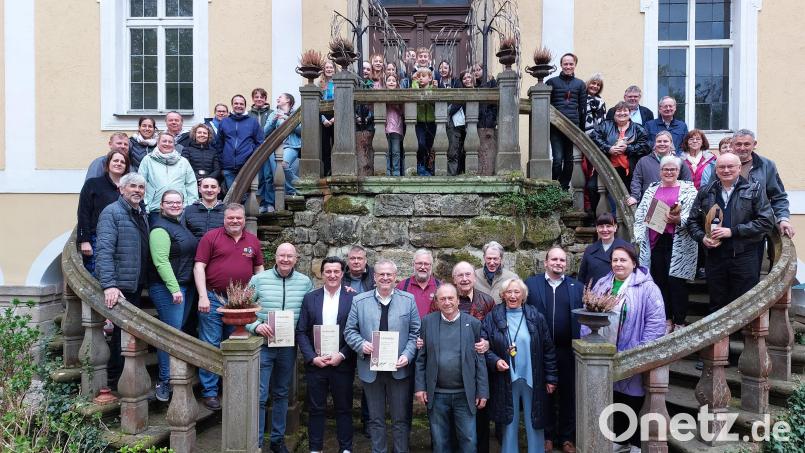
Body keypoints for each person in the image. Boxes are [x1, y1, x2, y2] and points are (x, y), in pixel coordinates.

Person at [584, 246, 665, 452]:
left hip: (632, 351)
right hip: (606, 351)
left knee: (633, 397)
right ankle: (620, 439)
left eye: (623, 260)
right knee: (614, 397)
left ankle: (636, 444)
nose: (618, 264)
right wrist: (589, 342)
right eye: (615, 260)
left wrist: (640, 352)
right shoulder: (603, 284)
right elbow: (588, 314)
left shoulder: (647, 287)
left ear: (634, 263)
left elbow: (655, 323)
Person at [193, 203, 264, 411]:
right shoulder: (211, 237)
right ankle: (210, 392)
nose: (235, 221)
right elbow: (199, 267)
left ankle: (231, 387)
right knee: (211, 343)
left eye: (238, 218)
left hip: (241, 303)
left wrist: (257, 296)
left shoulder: (252, 241)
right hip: (214, 298)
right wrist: (203, 296)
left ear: (244, 219)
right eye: (231, 218)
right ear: (224, 218)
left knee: (235, 344)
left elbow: (259, 268)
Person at [344, 259, 420, 453]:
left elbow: (415, 333)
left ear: (395, 277)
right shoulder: (359, 301)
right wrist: (361, 345)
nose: (385, 278)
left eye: (389, 275)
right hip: (371, 369)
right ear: (374, 277)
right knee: (375, 419)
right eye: (381, 274)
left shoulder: (408, 300)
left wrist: (407, 355)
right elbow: (349, 331)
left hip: (399, 369)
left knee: (400, 419)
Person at [688, 153, 774, 313]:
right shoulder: (706, 192)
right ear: (716, 169)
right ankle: (720, 338)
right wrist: (702, 238)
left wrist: (732, 231)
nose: (726, 170)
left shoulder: (754, 190)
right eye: (721, 167)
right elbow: (692, 221)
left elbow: (766, 222)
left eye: (730, 166)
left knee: (745, 303)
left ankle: (743, 337)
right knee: (717, 302)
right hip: (714, 257)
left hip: (744, 256)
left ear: (739, 168)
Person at [247, 243, 313, 452]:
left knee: (282, 394)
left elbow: (313, 309)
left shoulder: (304, 282)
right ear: (274, 257)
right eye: (282, 255)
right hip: (263, 346)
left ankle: (277, 440)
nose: (285, 259)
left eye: (290, 256)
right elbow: (241, 308)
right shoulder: (259, 279)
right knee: (259, 394)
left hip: (288, 347)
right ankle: (255, 441)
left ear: (296, 258)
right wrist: (256, 326)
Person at [482, 278, 558, 453]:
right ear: (502, 295)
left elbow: (548, 349)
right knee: (509, 422)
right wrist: (495, 361)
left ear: (523, 295)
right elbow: (483, 346)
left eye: (517, 292)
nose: (513, 296)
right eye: (509, 292)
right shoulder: (493, 317)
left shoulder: (535, 316)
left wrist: (551, 378)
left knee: (535, 421)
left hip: (534, 377)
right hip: (506, 378)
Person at [415, 284, 489, 453]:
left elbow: (480, 361)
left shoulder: (473, 324)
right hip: (437, 394)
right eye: (442, 299)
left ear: (457, 300)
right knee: (440, 442)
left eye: (450, 298)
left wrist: (482, 391)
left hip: (465, 394)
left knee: (469, 440)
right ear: (437, 301)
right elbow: (421, 359)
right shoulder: (427, 322)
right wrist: (420, 387)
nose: (447, 302)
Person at [524, 247, 583, 453]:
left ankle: (566, 438)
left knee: (568, 394)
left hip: (568, 350)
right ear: (546, 262)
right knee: (544, 395)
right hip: (540, 351)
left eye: (562, 260)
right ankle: (547, 436)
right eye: (554, 259)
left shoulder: (578, 287)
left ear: (566, 263)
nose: (558, 263)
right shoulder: (531, 284)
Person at [95, 172, 150, 390]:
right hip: (121, 286)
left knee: (127, 334)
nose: (137, 190)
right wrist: (109, 284)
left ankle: (123, 380)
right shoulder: (112, 213)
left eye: (141, 187)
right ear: (122, 189)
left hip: (135, 283)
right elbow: (104, 250)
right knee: (120, 335)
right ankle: (115, 380)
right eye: (133, 187)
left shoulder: (139, 213)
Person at [295, 256, 356, 453]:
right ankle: (315, 449)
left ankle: (346, 449)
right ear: (322, 274)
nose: (332, 275)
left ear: (342, 274)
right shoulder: (310, 298)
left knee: (344, 409)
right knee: (316, 409)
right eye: (328, 271)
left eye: (336, 271)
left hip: (342, 363)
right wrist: (312, 357)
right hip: (317, 364)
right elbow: (301, 331)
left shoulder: (353, 298)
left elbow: (357, 331)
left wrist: (343, 354)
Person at [633, 155, 698, 332]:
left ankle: (679, 321)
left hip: (679, 242)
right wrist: (639, 236)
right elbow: (640, 215)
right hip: (655, 242)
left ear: (678, 171)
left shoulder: (689, 189)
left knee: (676, 283)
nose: (669, 172)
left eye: (673, 169)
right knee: (659, 282)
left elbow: (695, 215)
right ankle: (666, 319)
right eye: (665, 169)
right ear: (660, 171)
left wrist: (679, 220)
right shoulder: (651, 189)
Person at [147, 190, 198, 402]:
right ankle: (164, 380)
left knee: (176, 333)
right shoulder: (159, 228)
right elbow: (160, 261)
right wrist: (174, 288)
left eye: (178, 202)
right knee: (170, 335)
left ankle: (172, 376)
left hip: (185, 287)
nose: (175, 205)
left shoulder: (179, 224)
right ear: (161, 205)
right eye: (170, 202)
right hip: (169, 289)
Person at [452, 261, 495, 453]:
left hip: (478, 367)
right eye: (460, 275)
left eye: (468, 275)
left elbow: (496, 331)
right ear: (454, 279)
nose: (464, 279)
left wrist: (488, 343)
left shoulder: (487, 301)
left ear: (474, 278)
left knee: (480, 414)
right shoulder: (442, 300)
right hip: (452, 368)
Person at [729, 129, 794, 238]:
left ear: (754, 144)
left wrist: (783, 219)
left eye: (747, 144)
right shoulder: (722, 164)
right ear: (732, 145)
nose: (742, 148)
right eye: (738, 144)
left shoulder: (767, 165)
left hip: (758, 229)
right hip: (727, 228)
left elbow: (778, 196)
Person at [77, 150, 130, 273]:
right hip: (98, 238)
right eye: (115, 160)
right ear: (108, 164)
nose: (119, 163)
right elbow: (83, 213)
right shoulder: (93, 184)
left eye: (122, 162)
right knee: (99, 275)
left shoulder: (130, 187)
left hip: (124, 239)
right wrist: (85, 240)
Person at [546, 53, 587, 190]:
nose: (568, 66)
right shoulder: (551, 82)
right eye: (565, 64)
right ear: (561, 65)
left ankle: (563, 188)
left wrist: (581, 130)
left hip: (572, 127)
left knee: (569, 161)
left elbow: (582, 108)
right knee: (557, 159)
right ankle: (553, 186)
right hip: (556, 127)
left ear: (575, 65)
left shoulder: (580, 84)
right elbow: (547, 106)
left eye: (571, 64)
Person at [590, 101, 650, 187]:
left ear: (629, 113)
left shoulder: (638, 128)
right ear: (614, 113)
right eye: (618, 110)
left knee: (628, 191)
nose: (622, 113)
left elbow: (645, 146)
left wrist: (628, 148)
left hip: (629, 168)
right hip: (607, 166)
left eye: (625, 110)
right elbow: (594, 137)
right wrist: (608, 148)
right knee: (592, 186)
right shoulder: (605, 125)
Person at [627, 130, 692, 206]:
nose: (662, 144)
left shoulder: (679, 162)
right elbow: (636, 181)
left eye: (665, 141)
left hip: (673, 205)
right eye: (659, 141)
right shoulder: (643, 161)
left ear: (671, 143)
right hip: (649, 203)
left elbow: (687, 183)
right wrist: (635, 196)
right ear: (655, 143)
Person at [138, 132, 198, 212]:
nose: (167, 144)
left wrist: (190, 208)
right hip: (155, 209)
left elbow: (191, 184)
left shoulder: (183, 162)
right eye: (164, 141)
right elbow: (141, 183)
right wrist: (145, 207)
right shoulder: (147, 160)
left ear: (174, 144)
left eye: (170, 142)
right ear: (158, 143)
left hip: (179, 209)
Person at [262, 93, 302, 213]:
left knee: (283, 165)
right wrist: (273, 121)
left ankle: (297, 188)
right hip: (275, 146)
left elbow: (301, 130)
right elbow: (265, 131)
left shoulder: (296, 113)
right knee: (274, 175)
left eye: (280, 97)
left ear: (288, 100)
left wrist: (286, 118)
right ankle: (274, 202)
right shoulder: (274, 113)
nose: (277, 98)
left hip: (292, 145)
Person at [218, 94, 265, 191]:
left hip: (246, 165)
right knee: (232, 195)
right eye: (236, 103)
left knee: (244, 194)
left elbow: (259, 142)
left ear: (245, 106)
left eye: (241, 104)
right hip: (228, 166)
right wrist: (222, 159)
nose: (238, 105)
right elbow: (219, 143)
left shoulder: (253, 122)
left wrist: (251, 157)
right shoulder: (224, 122)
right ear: (232, 105)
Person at [576, 212, 631, 287]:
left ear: (615, 227)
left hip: (620, 294)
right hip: (594, 296)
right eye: (601, 226)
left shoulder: (626, 248)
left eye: (608, 226)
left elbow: (634, 274)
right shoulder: (590, 250)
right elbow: (582, 278)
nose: (605, 230)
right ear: (597, 229)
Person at [396, 249, 441, 318]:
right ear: (413, 264)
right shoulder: (402, 286)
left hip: (433, 328)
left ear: (431, 266)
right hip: (409, 328)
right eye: (419, 263)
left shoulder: (441, 287)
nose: (423, 267)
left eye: (426, 264)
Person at [445, 70, 474, 175]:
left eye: (469, 77)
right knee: (453, 152)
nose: (467, 80)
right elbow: (452, 109)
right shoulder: (459, 93)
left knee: (468, 151)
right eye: (464, 78)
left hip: (472, 126)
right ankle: (452, 175)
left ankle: (465, 173)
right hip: (456, 126)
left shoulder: (479, 91)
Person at [473, 63, 498, 175]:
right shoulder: (475, 85)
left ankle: (488, 173)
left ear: (484, 70)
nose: (476, 72)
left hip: (488, 123)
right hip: (477, 122)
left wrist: (490, 122)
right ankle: (481, 173)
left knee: (489, 150)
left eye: (478, 69)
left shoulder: (492, 84)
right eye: (474, 70)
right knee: (480, 151)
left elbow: (494, 106)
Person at [413, 68, 436, 176]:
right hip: (420, 122)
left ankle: (427, 167)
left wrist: (434, 87)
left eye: (423, 76)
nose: (421, 78)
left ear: (430, 78)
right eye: (419, 76)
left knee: (429, 145)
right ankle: (420, 164)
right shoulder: (416, 87)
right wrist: (414, 82)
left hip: (431, 122)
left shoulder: (433, 88)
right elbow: (414, 94)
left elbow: (434, 98)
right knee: (420, 144)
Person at [384, 73, 405, 176]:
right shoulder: (382, 95)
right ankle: (387, 172)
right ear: (385, 83)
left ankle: (396, 172)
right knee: (386, 151)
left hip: (396, 127)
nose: (391, 82)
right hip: (385, 127)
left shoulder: (400, 95)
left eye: (393, 80)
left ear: (397, 83)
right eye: (389, 80)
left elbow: (403, 111)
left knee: (396, 151)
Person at [320, 60, 336, 176]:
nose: (329, 69)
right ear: (324, 70)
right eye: (327, 67)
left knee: (336, 145)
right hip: (324, 117)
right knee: (325, 146)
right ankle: (327, 170)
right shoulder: (320, 84)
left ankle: (336, 170)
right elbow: (317, 102)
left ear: (335, 69)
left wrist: (336, 117)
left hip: (336, 116)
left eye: (331, 67)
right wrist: (323, 119)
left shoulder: (338, 83)